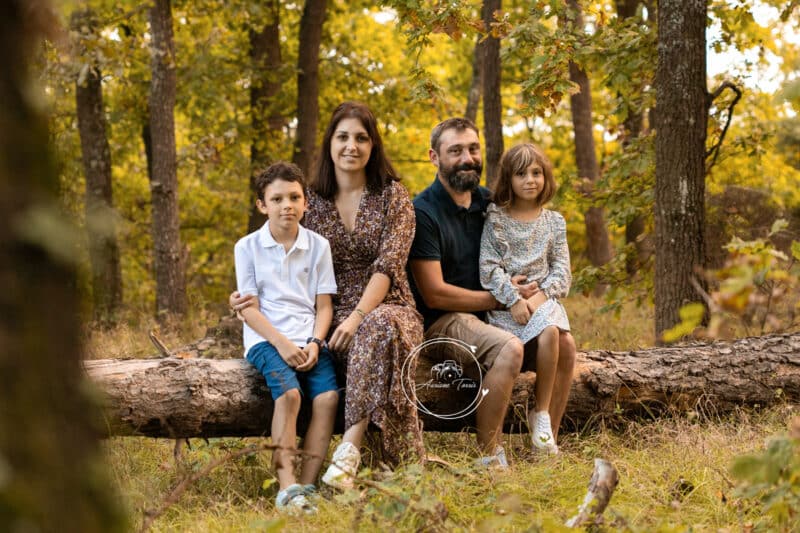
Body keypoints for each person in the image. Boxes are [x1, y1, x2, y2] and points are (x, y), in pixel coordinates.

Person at [232, 102, 424, 489]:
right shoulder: (312, 201)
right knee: (341, 357)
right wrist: (245, 303)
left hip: (389, 304)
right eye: (343, 137)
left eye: (361, 138)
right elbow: (283, 257)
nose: (351, 146)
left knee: (378, 325)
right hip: (327, 315)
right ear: (330, 143)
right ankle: (311, 480)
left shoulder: (393, 196)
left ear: (373, 145)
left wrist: (355, 318)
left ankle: (349, 451)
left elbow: (388, 266)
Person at [408, 118, 577, 466]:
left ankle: (544, 442)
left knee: (565, 343)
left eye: (473, 148)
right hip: (446, 321)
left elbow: (528, 237)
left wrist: (531, 294)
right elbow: (434, 294)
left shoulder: (489, 203)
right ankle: (490, 457)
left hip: (497, 316)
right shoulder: (423, 212)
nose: (467, 158)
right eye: (455, 151)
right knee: (509, 348)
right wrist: (504, 298)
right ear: (434, 157)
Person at [233, 162, 339, 514]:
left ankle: (308, 485)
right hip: (267, 340)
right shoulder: (247, 247)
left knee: (327, 399)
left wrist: (315, 342)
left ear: (306, 202)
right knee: (290, 394)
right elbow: (248, 309)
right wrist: (281, 343)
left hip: (308, 339)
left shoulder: (318, 245)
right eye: (276, 199)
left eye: (294, 197)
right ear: (262, 205)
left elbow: (324, 306)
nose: (287, 205)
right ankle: (286, 486)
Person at [479, 143, 573, 454]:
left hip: (543, 302)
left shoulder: (554, 222)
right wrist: (513, 299)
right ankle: (496, 440)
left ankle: (541, 413)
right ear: (509, 179)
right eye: (521, 174)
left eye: (536, 173)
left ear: (546, 177)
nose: (530, 180)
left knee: (551, 332)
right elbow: (489, 266)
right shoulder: (495, 219)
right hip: (508, 308)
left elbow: (562, 270)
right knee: (529, 340)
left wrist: (538, 299)